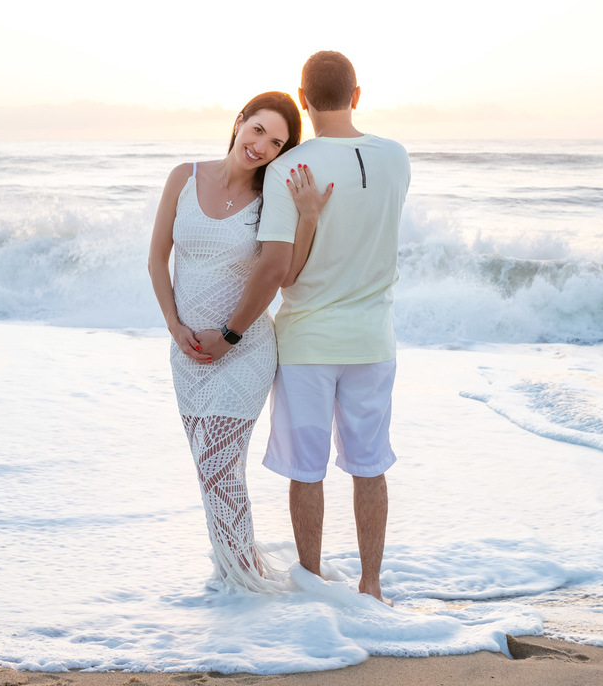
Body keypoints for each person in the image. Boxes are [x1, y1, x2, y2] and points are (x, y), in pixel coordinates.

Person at [197, 52, 410, 603]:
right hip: (373, 340)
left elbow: (277, 268)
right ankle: (372, 586)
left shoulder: (290, 168)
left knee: (306, 472)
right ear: (356, 94)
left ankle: (313, 584)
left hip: (307, 342)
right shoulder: (396, 158)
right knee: (370, 466)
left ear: (303, 96)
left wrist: (230, 332)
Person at [148, 91, 332, 593]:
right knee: (209, 471)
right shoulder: (183, 177)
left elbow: (286, 274)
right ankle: (232, 573)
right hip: (187, 352)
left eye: (276, 142)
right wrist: (174, 325)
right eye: (257, 131)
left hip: (245, 348)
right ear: (239, 122)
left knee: (218, 466)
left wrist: (309, 217)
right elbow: (156, 258)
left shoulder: (271, 198)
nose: (261, 147)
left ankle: (242, 586)